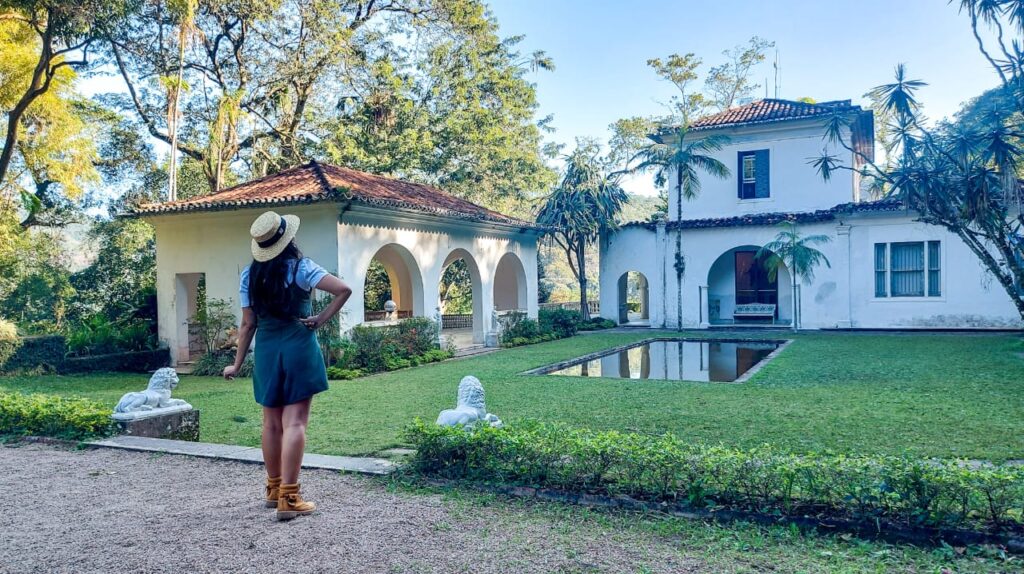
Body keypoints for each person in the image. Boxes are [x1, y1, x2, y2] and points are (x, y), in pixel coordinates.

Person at [223, 211, 352, 521]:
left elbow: (247, 323)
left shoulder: (249, 276)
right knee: (295, 423)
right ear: (288, 239)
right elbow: (343, 289)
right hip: (298, 346)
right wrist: (320, 320)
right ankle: (290, 498)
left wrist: (237, 363)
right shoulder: (302, 268)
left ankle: (273, 489)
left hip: (267, 350)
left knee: (270, 423)